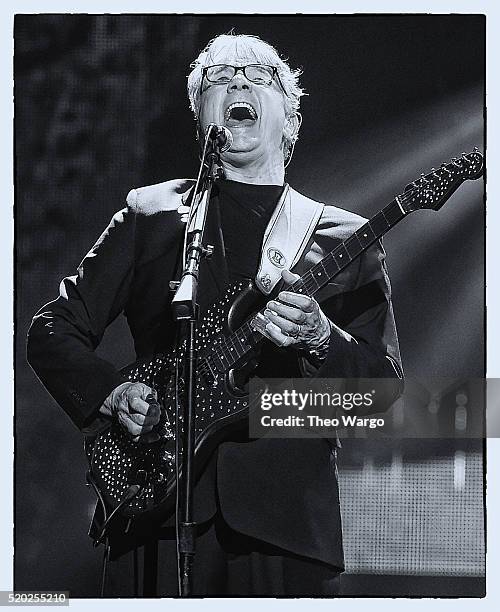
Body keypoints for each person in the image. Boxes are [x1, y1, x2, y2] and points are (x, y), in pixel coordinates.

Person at [27, 33, 403, 597]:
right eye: (217, 78)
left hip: (281, 530)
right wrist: (109, 394)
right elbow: (51, 330)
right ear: (202, 119)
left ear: (290, 119)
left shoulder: (344, 238)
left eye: (259, 74)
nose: (237, 81)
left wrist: (322, 339)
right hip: (149, 508)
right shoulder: (151, 215)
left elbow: (380, 395)